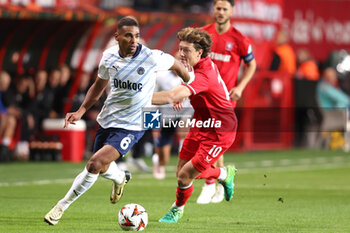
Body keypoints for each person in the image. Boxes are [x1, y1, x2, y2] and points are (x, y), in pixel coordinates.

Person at [44, 16, 190, 225]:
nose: (134, 40)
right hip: (108, 119)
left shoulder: (151, 57)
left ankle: (60, 207)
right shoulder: (109, 57)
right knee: (102, 167)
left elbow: (180, 68)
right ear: (117, 37)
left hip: (133, 124)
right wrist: (81, 110)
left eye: (137, 36)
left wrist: (188, 89)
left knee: (94, 163)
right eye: (129, 35)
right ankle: (120, 177)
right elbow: (98, 86)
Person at [152, 27, 237, 223]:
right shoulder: (201, 64)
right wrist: (186, 91)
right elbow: (188, 80)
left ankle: (177, 210)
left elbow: (172, 95)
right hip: (201, 122)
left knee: (184, 176)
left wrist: (138, 98)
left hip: (220, 131)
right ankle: (223, 173)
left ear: (199, 52)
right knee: (180, 172)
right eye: (180, 48)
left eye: (186, 50)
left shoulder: (203, 75)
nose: (181, 54)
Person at [199, 0, 256, 204]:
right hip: (202, 97)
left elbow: (252, 65)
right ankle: (221, 178)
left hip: (224, 99)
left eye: (224, 9)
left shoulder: (239, 39)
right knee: (209, 142)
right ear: (213, 9)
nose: (221, 12)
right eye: (218, 8)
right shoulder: (203, 34)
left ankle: (210, 184)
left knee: (212, 140)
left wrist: (240, 87)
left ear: (231, 11)